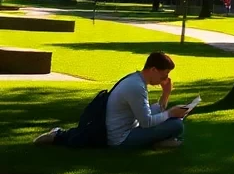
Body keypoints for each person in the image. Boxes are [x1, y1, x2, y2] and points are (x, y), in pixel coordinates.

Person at [34, 51, 191, 149]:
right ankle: (160, 142)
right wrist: (170, 114)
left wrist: (166, 94)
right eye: (164, 75)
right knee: (176, 124)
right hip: (120, 140)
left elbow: (146, 113)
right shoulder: (136, 87)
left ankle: (160, 141)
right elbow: (146, 122)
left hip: (128, 129)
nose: (166, 78)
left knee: (174, 121)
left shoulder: (135, 80)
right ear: (153, 70)